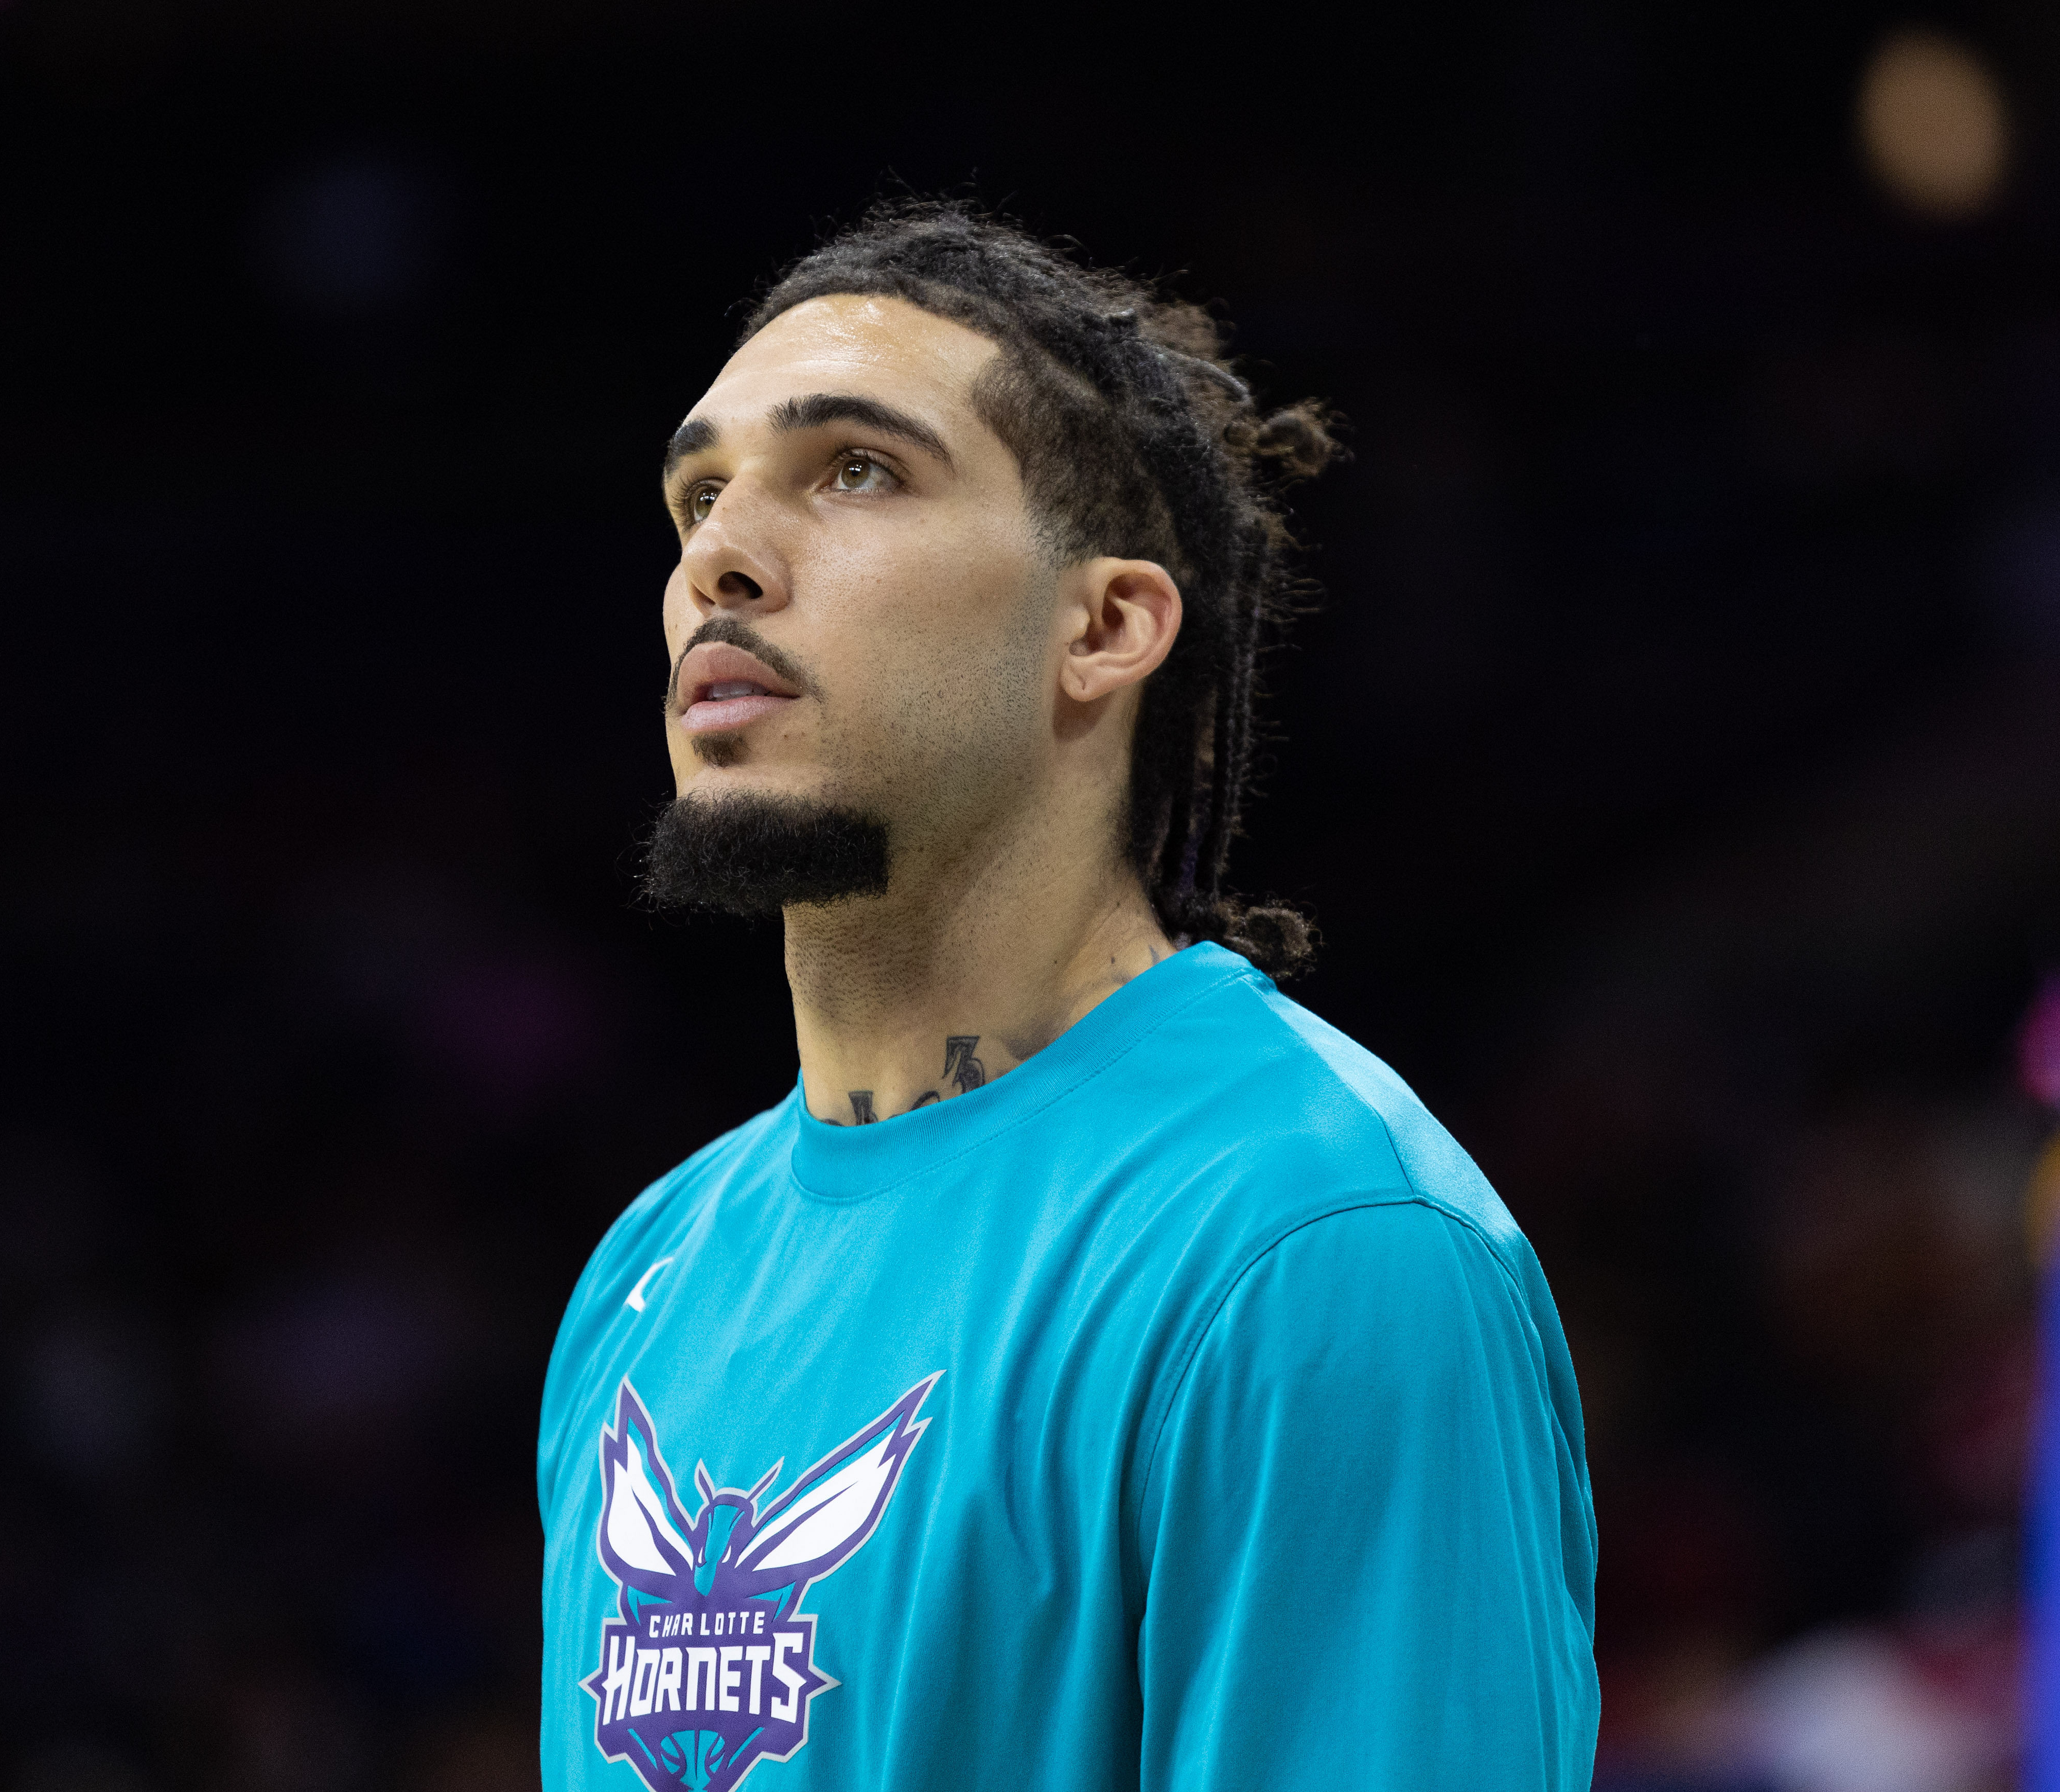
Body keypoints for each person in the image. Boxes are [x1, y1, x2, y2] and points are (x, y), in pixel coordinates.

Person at [536, 203, 1596, 1791]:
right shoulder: (650, 1272)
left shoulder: (1313, 1243)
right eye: (699, 493)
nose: (718, 558)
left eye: (857, 470)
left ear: (1104, 626)